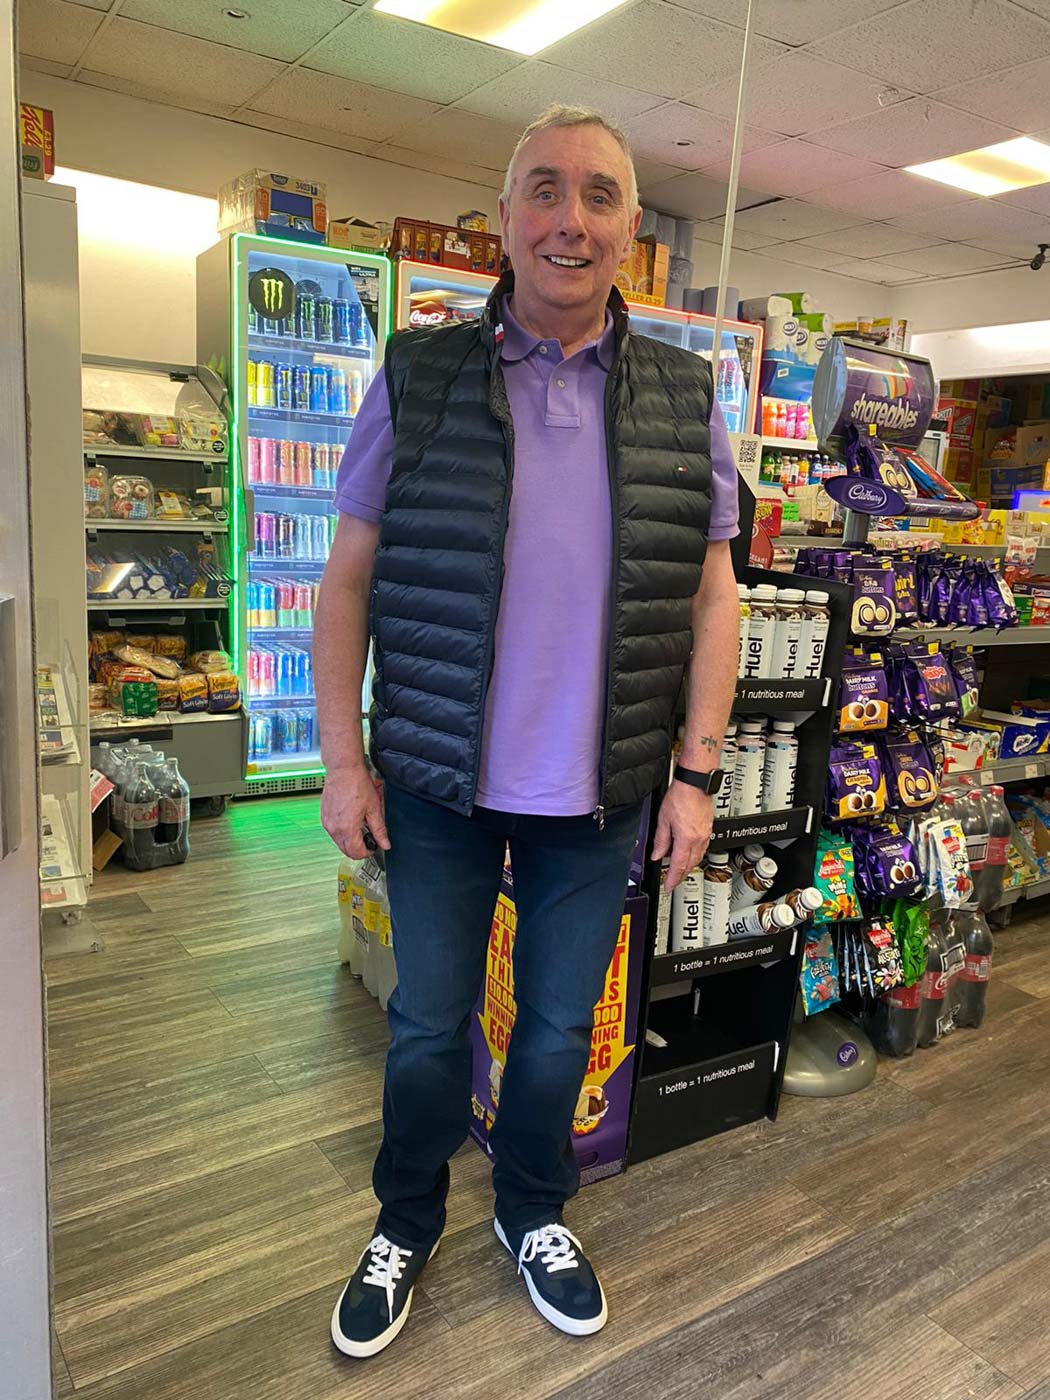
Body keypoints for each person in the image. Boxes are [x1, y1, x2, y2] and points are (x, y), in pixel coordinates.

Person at [315, 103, 741, 1358]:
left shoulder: (684, 396)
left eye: (599, 195)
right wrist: (342, 760)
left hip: (602, 791)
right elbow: (348, 579)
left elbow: (714, 597)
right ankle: (405, 1218)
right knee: (426, 1025)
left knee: (556, 1034)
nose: (570, 219)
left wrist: (699, 773)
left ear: (630, 230)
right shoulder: (421, 375)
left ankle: (531, 1208)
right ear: (503, 219)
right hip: (436, 780)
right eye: (543, 190)